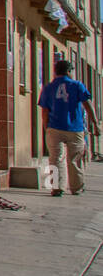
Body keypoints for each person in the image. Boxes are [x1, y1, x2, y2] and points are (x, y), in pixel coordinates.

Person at [37, 59, 100, 197]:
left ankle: (56, 187)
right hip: (75, 128)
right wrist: (95, 123)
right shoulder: (77, 85)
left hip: (54, 127)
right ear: (69, 71)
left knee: (55, 158)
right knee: (75, 159)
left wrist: (46, 127)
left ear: (55, 72)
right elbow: (88, 104)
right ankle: (77, 187)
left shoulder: (48, 87)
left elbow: (45, 111)